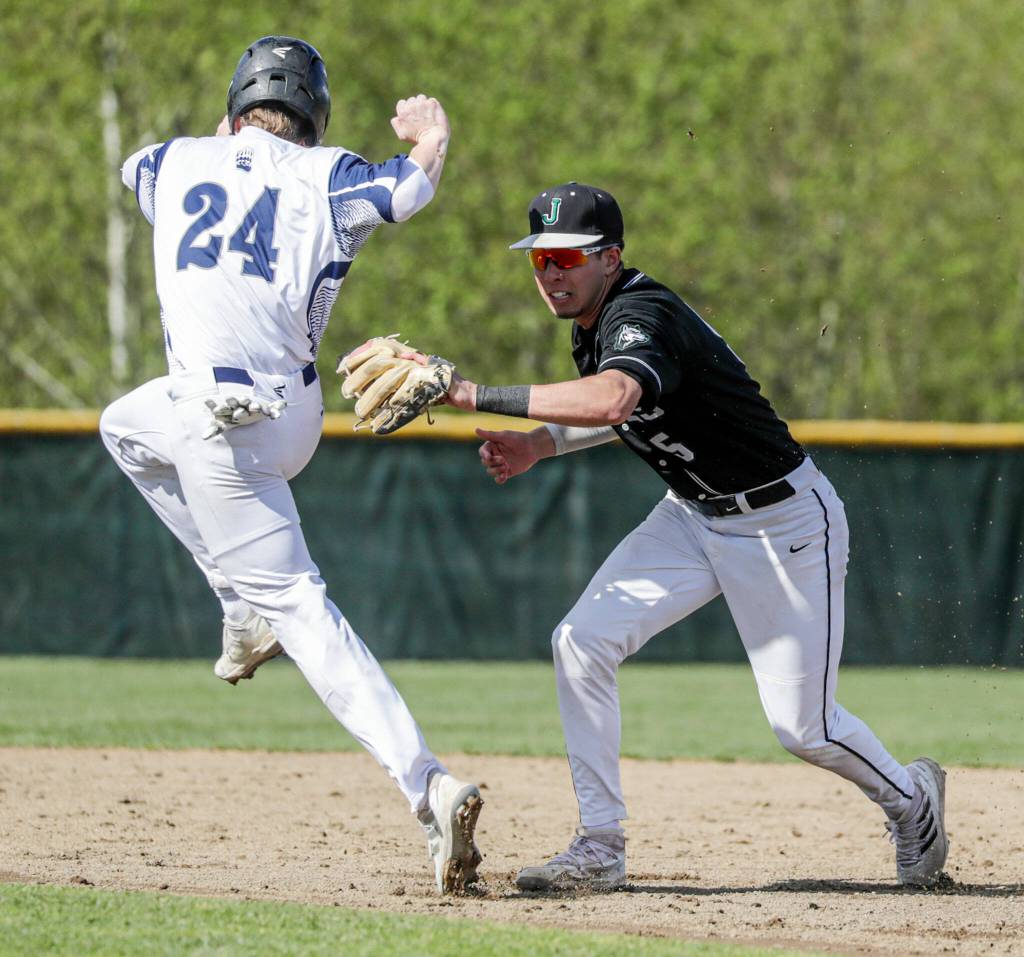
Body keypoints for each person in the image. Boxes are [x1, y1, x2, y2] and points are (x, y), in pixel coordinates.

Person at [443, 182, 948, 890]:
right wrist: (537, 446)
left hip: (784, 523)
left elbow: (616, 396)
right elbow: (624, 408)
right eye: (539, 261)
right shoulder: (594, 325)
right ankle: (600, 844)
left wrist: (475, 394)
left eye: (566, 257)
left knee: (804, 728)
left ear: (610, 258)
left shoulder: (641, 313)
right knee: (580, 642)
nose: (551, 273)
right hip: (691, 515)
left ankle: (911, 799)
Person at [99, 35, 482, 894]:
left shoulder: (169, 160)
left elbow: (137, 172)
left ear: (235, 104)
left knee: (305, 610)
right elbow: (409, 187)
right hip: (291, 411)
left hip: (214, 422)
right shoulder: (331, 172)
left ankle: (428, 786)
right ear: (315, 117)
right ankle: (239, 608)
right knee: (123, 427)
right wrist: (432, 133)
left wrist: (226, 144)